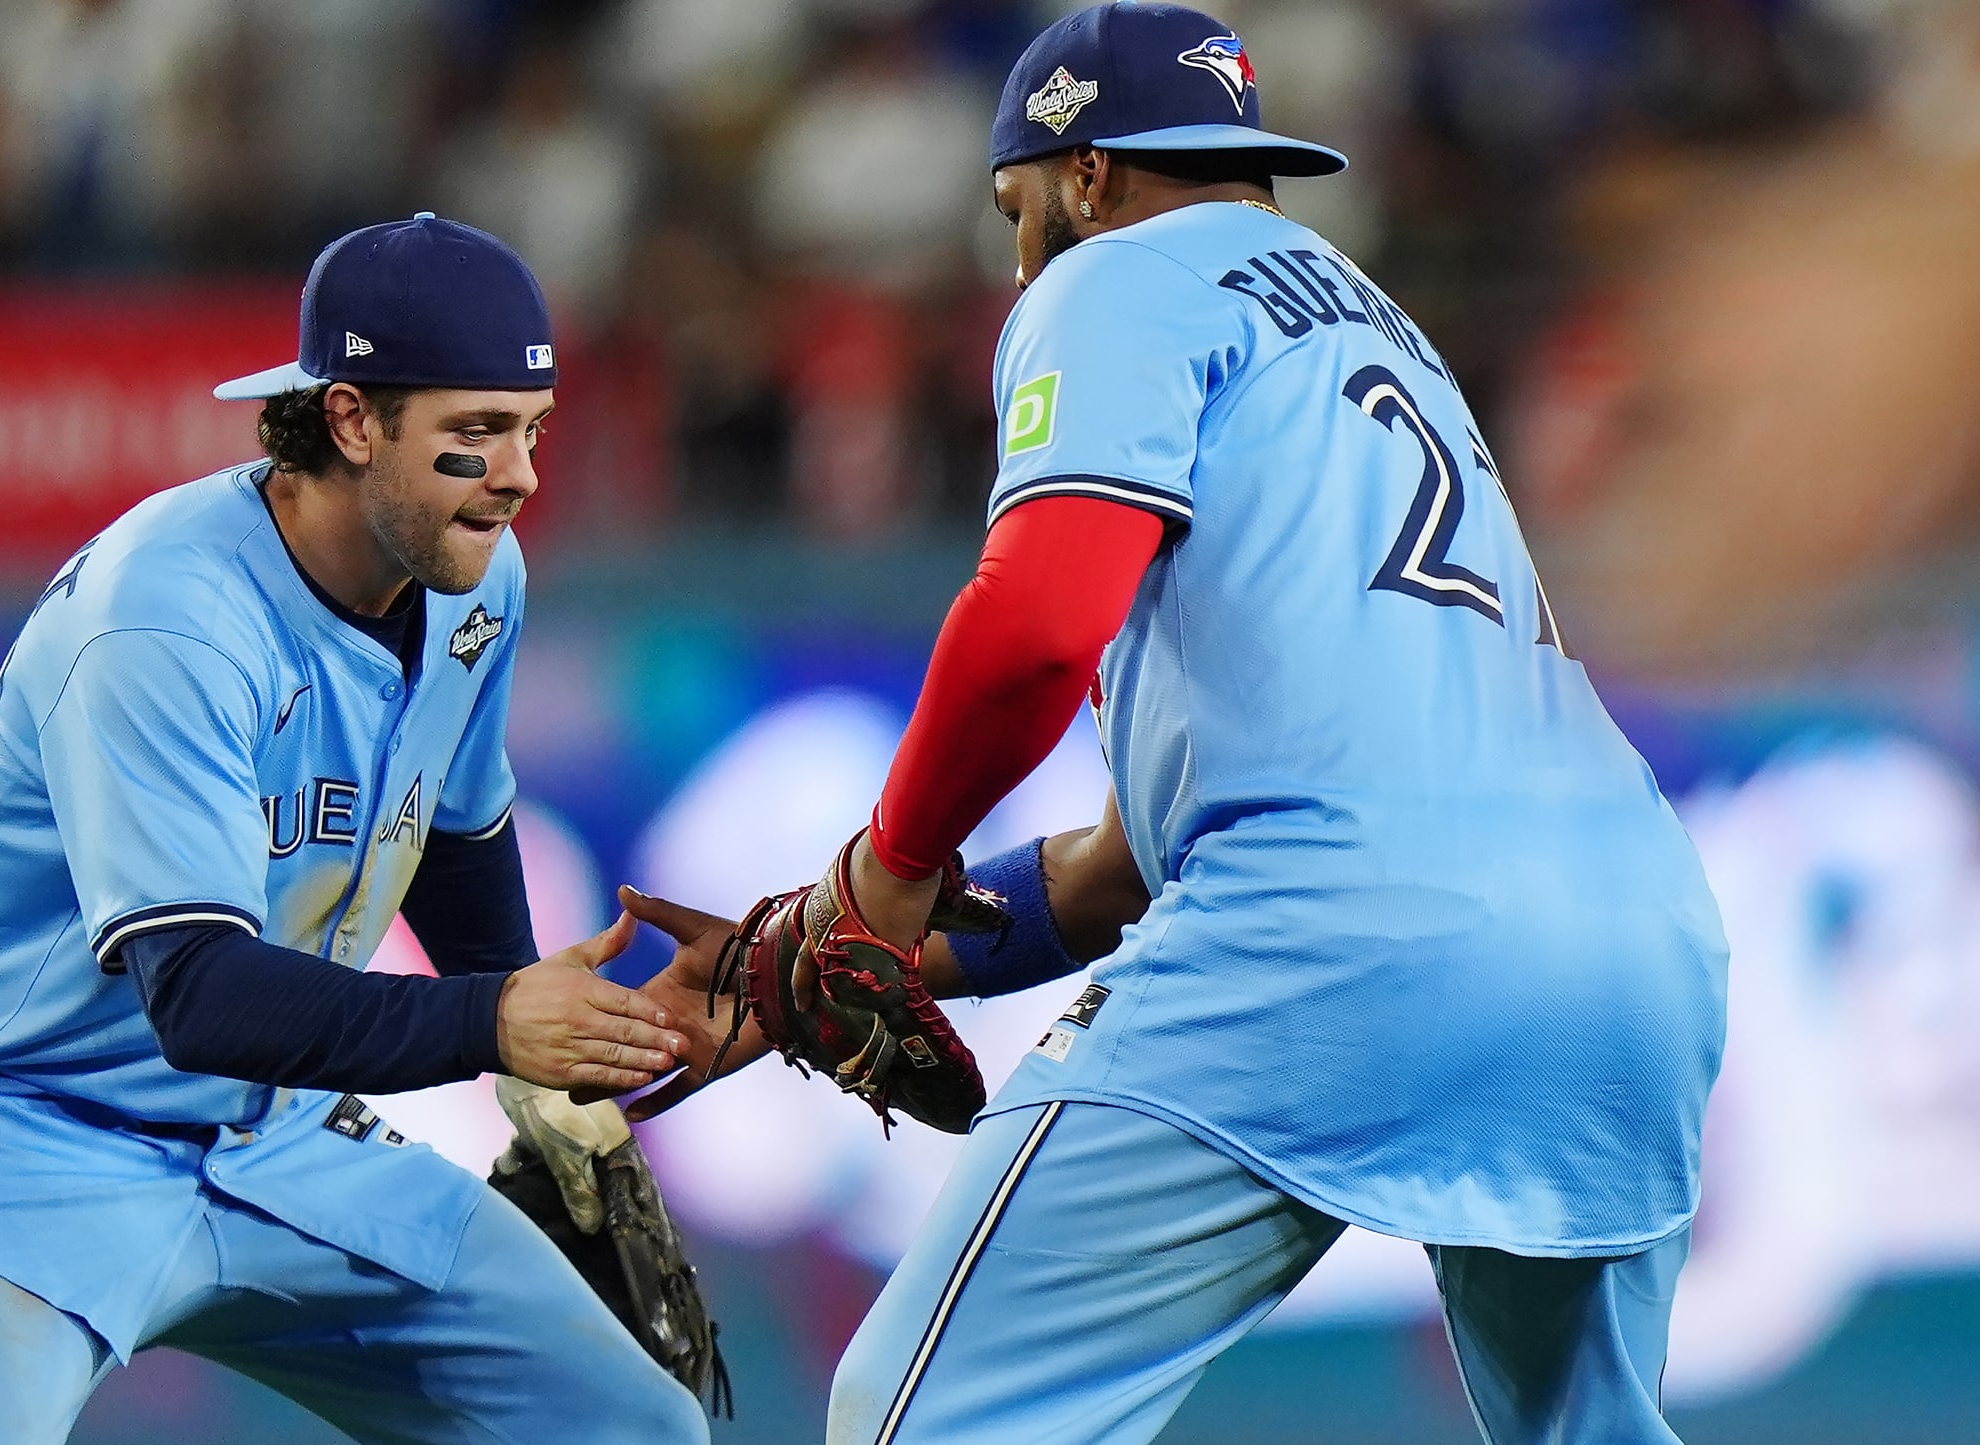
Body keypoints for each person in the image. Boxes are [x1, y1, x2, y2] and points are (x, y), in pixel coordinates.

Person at [620, 7, 1730, 1443]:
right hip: (1632, 939)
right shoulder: (1374, 327)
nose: (1021, 258)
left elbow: (1030, 628)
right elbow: (1119, 872)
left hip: (1337, 930)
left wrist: (888, 867)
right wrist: (822, 953)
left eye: (1020, 211)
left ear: (1085, 178)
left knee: (925, 1415)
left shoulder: (1118, 276)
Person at [0, 214, 710, 1444]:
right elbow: (197, 994)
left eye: (532, 430)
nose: (519, 474)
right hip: (23, 1134)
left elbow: (455, 834)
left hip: (272, 1131)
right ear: (353, 421)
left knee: (638, 1431)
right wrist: (490, 1020)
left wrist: (539, 1069)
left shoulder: (476, 575)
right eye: (475, 434)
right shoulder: (166, 613)